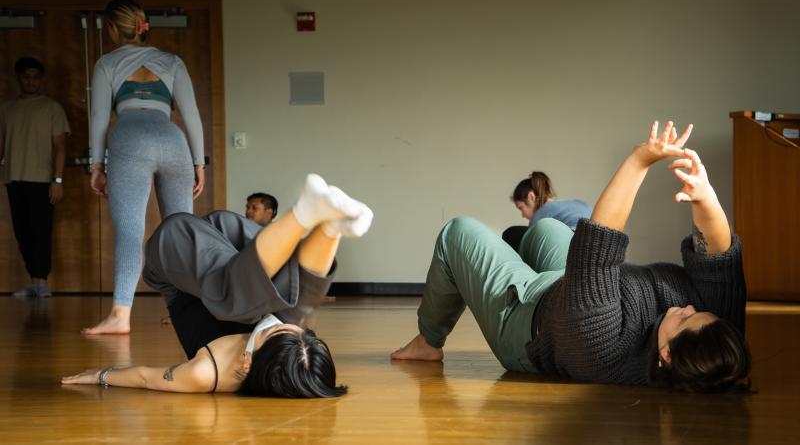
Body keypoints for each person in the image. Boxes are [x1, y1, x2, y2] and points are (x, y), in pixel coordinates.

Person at [392, 121, 752, 394]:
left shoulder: (604, 348)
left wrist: (639, 161)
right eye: (699, 311)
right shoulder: (715, 335)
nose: (689, 307)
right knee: (545, 230)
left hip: (528, 321)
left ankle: (429, 341)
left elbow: (599, 245)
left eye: (686, 319)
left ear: (668, 356)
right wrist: (704, 196)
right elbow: (718, 259)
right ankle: (507, 268)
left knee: (457, 232)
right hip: (573, 290)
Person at [63, 174, 373, 396]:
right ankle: (332, 227)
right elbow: (292, 320)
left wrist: (101, 375)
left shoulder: (206, 373)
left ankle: (305, 213)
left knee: (235, 300)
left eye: (272, 332)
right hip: (229, 237)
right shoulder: (286, 347)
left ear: (249, 361)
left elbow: (146, 377)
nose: (282, 327)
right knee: (296, 305)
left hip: (176, 251)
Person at [84, 0, 206, 334]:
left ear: (111, 29)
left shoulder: (106, 63)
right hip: (173, 140)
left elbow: (98, 120)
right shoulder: (172, 61)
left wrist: (97, 165)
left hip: (129, 139)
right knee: (180, 233)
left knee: (130, 231)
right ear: (141, 26)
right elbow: (191, 115)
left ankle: (120, 315)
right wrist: (200, 162)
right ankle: (189, 311)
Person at [0, 57, 70, 298]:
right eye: (26, 76)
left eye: (35, 76)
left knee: (41, 232)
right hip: (14, 178)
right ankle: (35, 281)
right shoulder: (6, 109)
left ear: (41, 79)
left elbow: (60, 146)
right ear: (19, 78)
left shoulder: (51, 107)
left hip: (42, 179)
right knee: (22, 233)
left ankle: (42, 282)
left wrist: (57, 180)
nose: (31, 81)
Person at [502, 171, 592, 251]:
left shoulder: (540, 213)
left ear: (531, 197)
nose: (522, 215)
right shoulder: (577, 203)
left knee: (511, 233)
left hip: (573, 244)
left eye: (520, 207)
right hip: (595, 241)